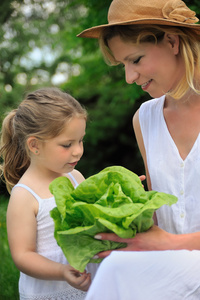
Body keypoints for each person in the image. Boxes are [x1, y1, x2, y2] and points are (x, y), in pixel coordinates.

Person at [77, 0, 200, 298]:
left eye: (135, 60)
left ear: (172, 41)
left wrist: (171, 244)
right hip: (170, 268)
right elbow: (158, 217)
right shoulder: (144, 119)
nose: (129, 77)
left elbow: (166, 240)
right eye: (123, 66)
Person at [0, 87, 98, 300]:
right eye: (67, 144)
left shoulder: (75, 177)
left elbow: (94, 217)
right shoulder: (24, 195)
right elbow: (23, 256)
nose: (78, 150)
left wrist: (116, 197)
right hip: (50, 291)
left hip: (88, 285)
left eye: (80, 140)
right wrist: (61, 271)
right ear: (34, 145)